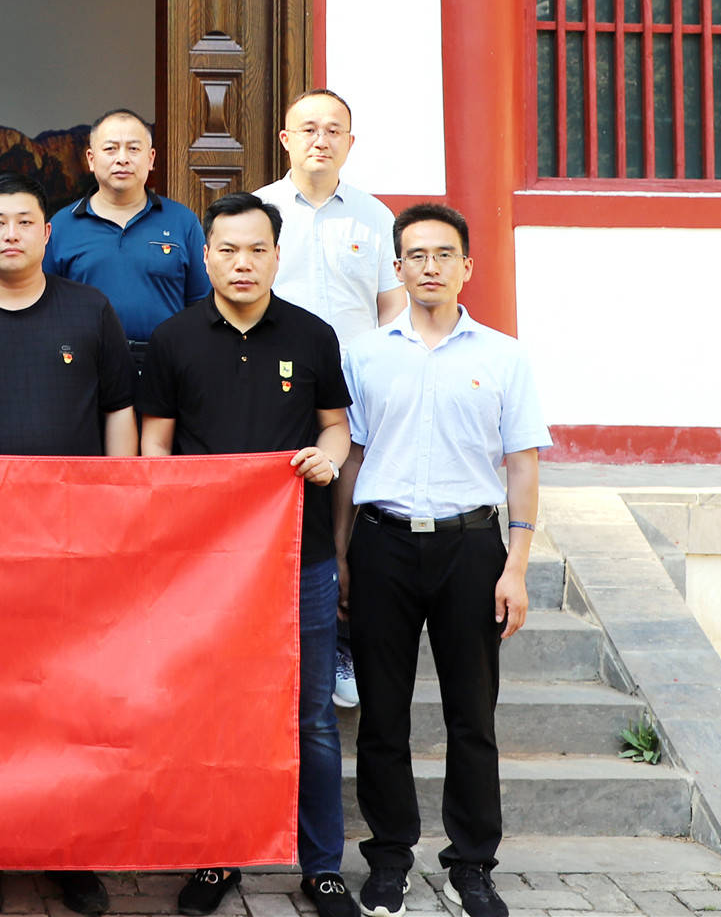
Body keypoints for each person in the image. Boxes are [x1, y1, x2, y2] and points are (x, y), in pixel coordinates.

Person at [0, 173, 137, 917]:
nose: (11, 232)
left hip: (72, 538)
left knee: (68, 701)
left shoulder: (89, 309)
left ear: (48, 234)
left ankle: (68, 848)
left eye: (25, 221)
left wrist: (118, 508)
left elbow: (119, 410)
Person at [138, 194, 354, 917]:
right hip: (206, 563)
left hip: (303, 555)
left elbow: (336, 430)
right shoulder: (173, 340)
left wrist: (326, 461)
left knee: (312, 716)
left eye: (255, 249)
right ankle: (216, 857)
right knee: (213, 711)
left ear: (275, 254)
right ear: (206, 255)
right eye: (227, 249)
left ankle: (321, 866)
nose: (241, 262)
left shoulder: (313, 335)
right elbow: (155, 448)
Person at [333, 204, 550, 917]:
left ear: (467, 267)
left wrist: (515, 563)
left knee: (471, 714)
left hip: (470, 546)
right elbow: (352, 459)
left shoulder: (502, 355)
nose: (429, 266)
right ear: (397, 267)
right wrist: (342, 555)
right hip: (384, 541)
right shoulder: (365, 354)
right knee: (384, 715)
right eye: (416, 255)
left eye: (443, 254)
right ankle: (390, 857)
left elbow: (521, 466)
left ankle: (472, 864)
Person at [254, 89, 406, 710]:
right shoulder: (260, 211)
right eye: (307, 129)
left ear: (350, 142)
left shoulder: (373, 218)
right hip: (272, 382)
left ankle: (341, 639)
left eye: (333, 130)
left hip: (353, 392)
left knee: (346, 507)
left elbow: (392, 303)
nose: (321, 139)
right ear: (285, 139)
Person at [46, 108, 210, 368]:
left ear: (151, 158)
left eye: (134, 149)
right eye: (110, 149)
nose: (122, 159)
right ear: (90, 159)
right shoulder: (62, 225)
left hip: (165, 365)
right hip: (86, 365)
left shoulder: (182, 221)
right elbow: (47, 307)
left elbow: (201, 303)